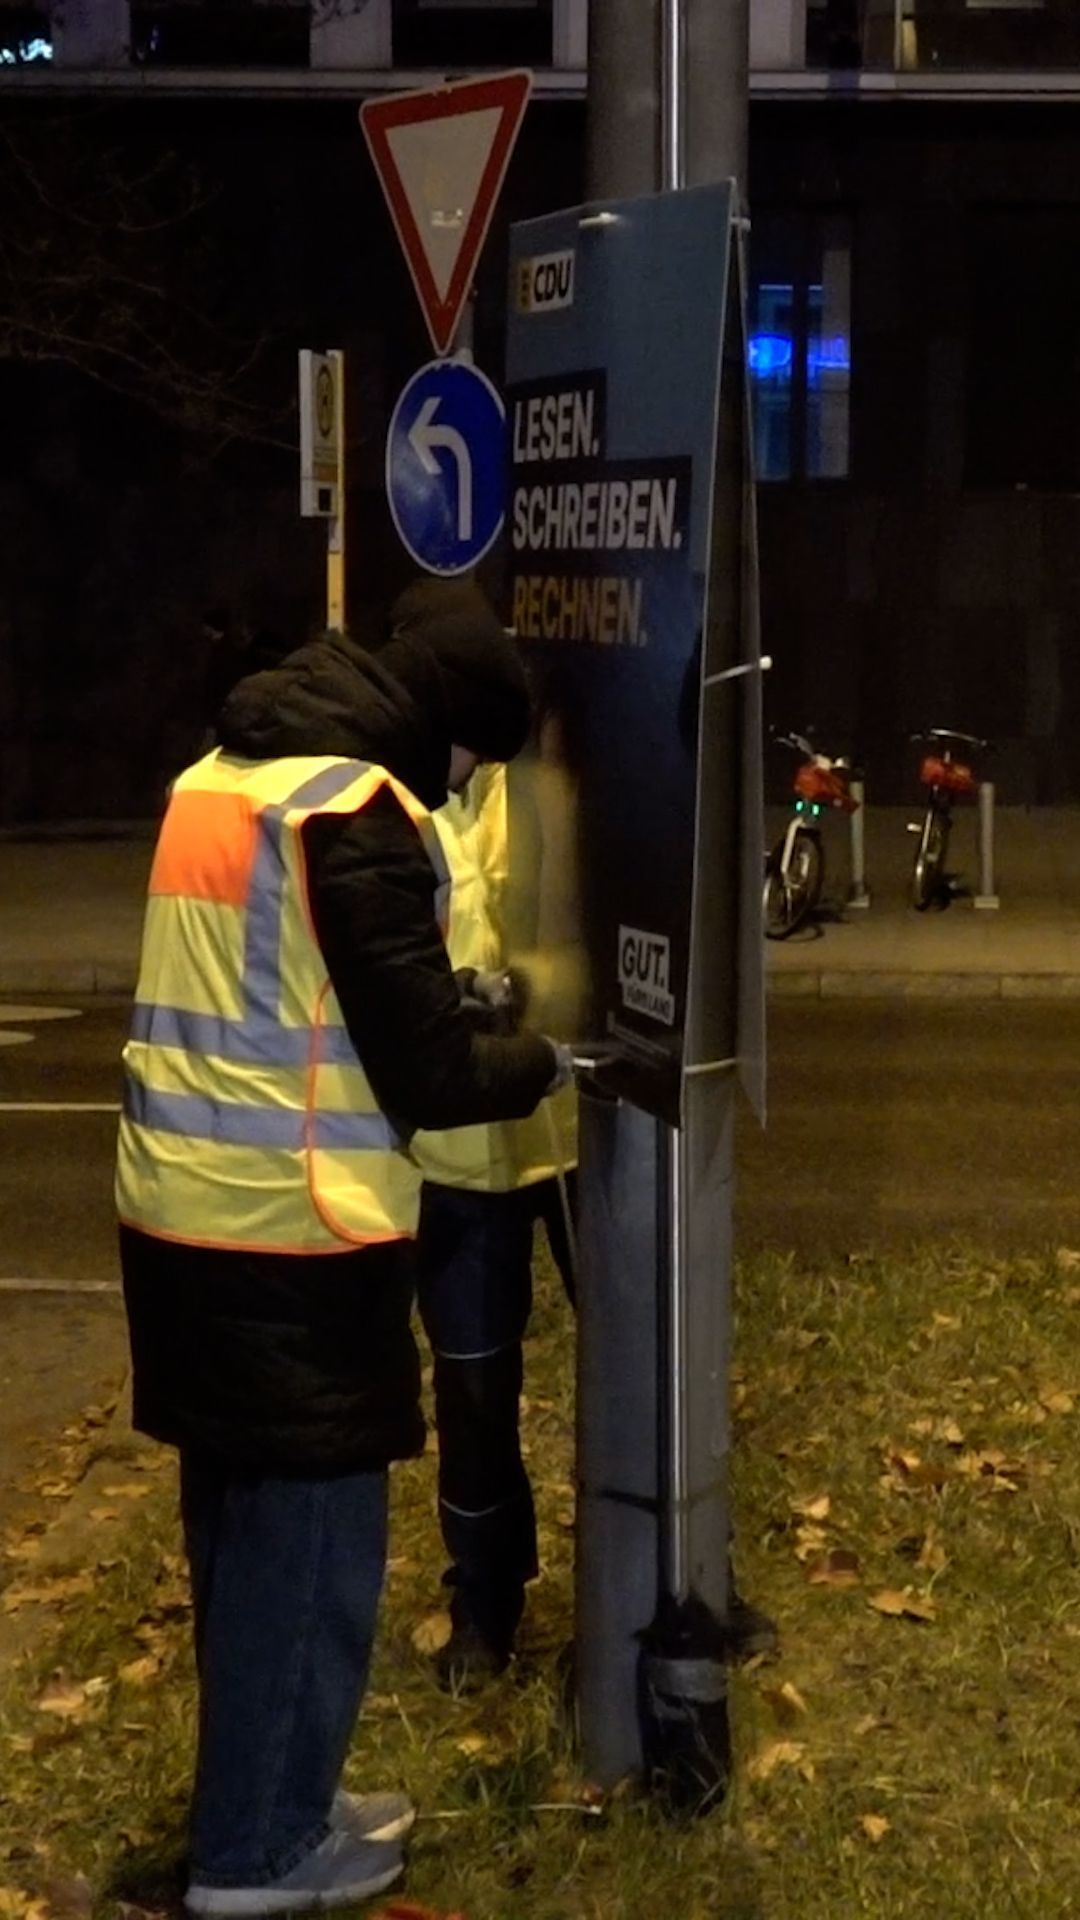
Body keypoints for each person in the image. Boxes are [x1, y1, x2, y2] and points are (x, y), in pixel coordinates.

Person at [115, 579, 570, 1918]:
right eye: (474, 762)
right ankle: (258, 1858)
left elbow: (313, 982)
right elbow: (426, 1072)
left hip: (181, 1221)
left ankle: (272, 1803)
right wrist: (552, 1054)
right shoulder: (357, 813)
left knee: (239, 1544)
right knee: (308, 1564)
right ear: (446, 729)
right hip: (291, 1239)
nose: (464, 786)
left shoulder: (226, 775)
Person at [409, 761, 579, 1691]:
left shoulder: (549, 781)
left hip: (576, 1128)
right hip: (460, 1149)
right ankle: (485, 1600)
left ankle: (678, 1577)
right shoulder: (396, 799)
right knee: (473, 1395)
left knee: (645, 1365)